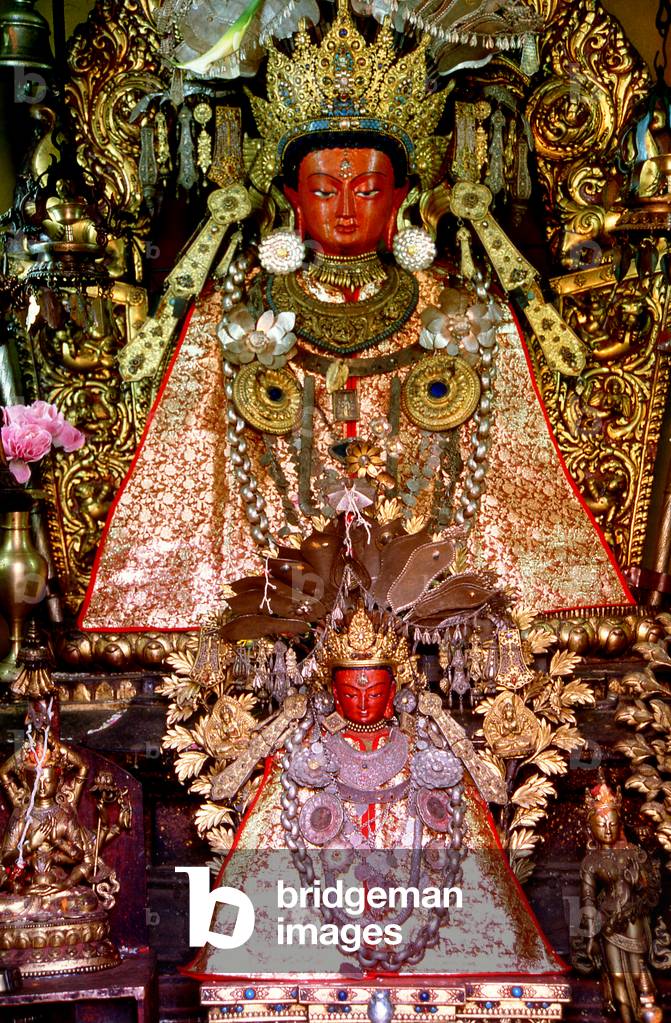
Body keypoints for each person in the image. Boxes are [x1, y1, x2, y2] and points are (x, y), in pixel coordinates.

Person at [78, 0, 632, 634]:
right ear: (290, 198)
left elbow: (515, 494)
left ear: (402, 198)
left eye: (366, 190)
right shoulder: (231, 313)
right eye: (323, 190)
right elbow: (187, 493)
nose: (345, 211)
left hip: (434, 616)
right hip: (268, 617)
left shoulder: (463, 311)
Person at [186, 604, 564, 978]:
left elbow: (467, 839)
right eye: (352, 694)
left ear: (393, 691)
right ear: (335, 695)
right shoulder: (306, 757)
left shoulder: (423, 751)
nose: (364, 703)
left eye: (375, 692)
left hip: (422, 922)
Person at [577, 780, 662, 1023]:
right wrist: (590, 937)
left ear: (620, 824)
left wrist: (639, 882)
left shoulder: (632, 853)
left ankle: (646, 1014)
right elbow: (587, 899)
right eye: (601, 824)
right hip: (607, 924)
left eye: (612, 824)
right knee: (616, 976)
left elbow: (650, 888)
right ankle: (625, 1018)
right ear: (590, 828)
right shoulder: (591, 862)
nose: (607, 829)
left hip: (632, 916)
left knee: (638, 973)